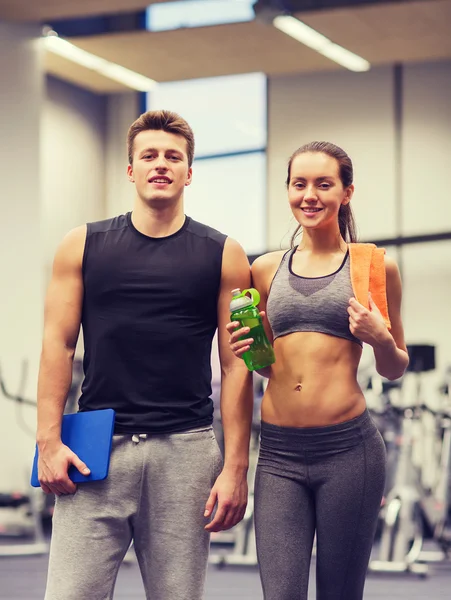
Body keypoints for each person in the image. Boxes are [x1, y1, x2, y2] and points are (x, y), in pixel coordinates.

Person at [36, 110, 253, 600]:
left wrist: (236, 466)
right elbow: (58, 344)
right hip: (95, 451)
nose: (161, 164)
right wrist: (48, 441)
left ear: (189, 172)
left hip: (186, 451)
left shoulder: (225, 254)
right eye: (149, 155)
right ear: (130, 169)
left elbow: (239, 361)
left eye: (173, 156)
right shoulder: (82, 245)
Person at [227, 141, 409, 600]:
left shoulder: (373, 265)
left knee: (339, 593)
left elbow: (394, 366)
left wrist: (379, 337)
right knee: (280, 593)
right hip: (279, 454)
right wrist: (250, 350)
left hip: (349, 451)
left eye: (323, 184)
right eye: (299, 184)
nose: (309, 195)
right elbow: (268, 367)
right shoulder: (265, 269)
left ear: (346, 193)